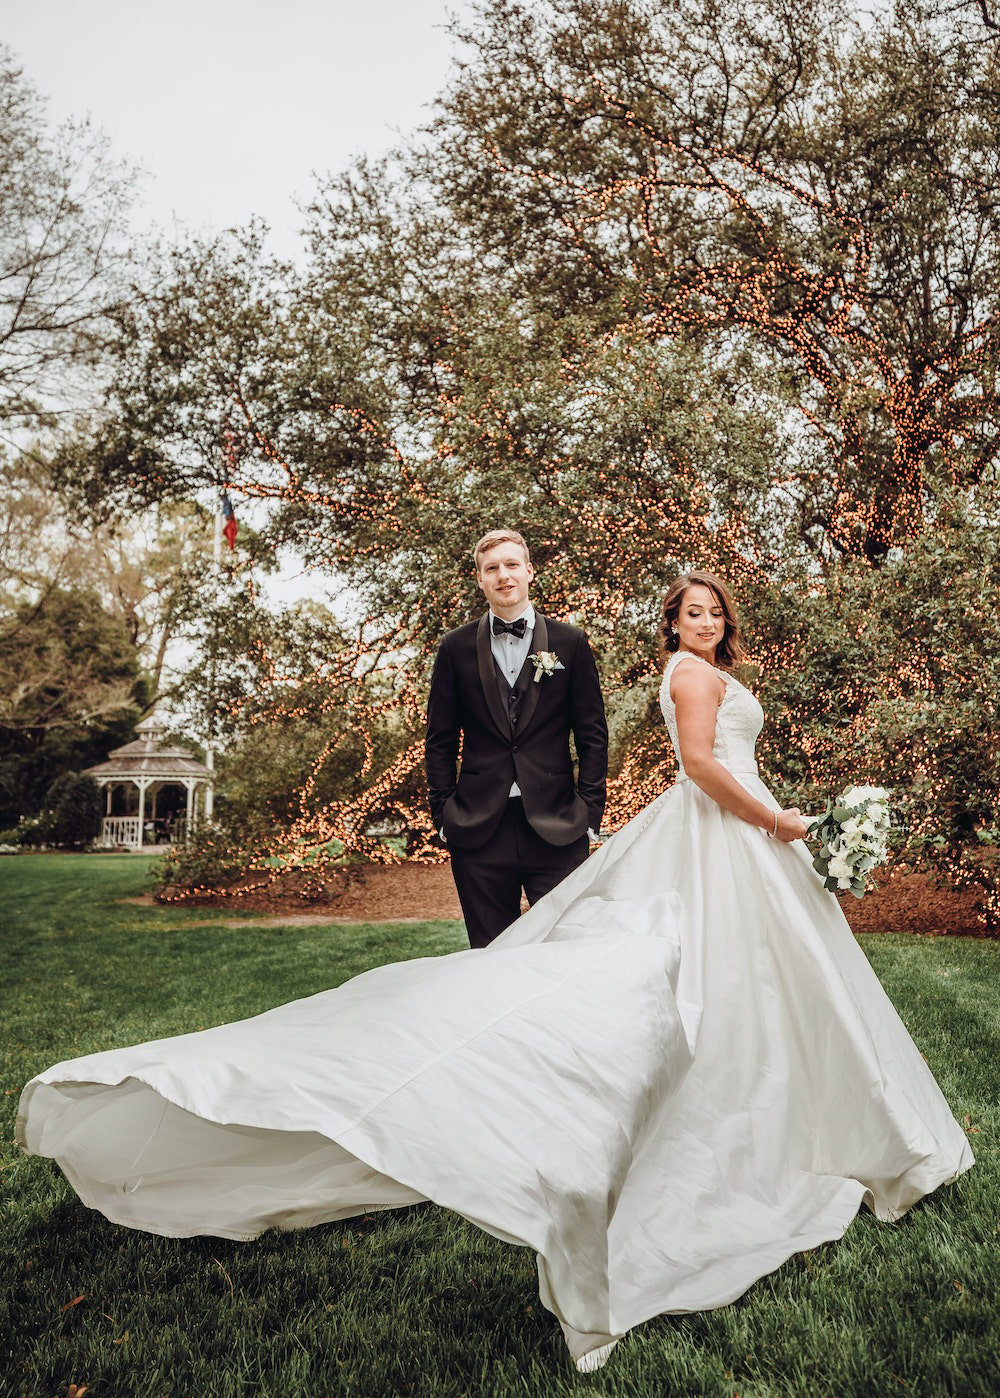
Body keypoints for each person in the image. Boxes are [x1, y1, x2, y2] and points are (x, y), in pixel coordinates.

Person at [16, 570, 972, 1374]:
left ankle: (807, 1107)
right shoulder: (690, 678)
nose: (706, 622)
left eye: (716, 610)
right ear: (672, 627)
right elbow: (700, 769)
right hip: (730, 835)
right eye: (690, 612)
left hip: (743, 844)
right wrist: (792, 823)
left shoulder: (714, 671)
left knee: (772, 987)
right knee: (700, 983)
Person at [425, 528, 608, 947]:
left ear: (529, 571)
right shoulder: (454, 648)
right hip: (478, 830)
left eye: (511, 565)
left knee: (564, 953)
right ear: (479, 579)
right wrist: (443, 813)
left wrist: (589, 813)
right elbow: (439, 738)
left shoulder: (570, 642)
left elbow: (592, 734)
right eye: (492, 568)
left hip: (559, 826)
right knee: (490, 957)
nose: (503, 576)